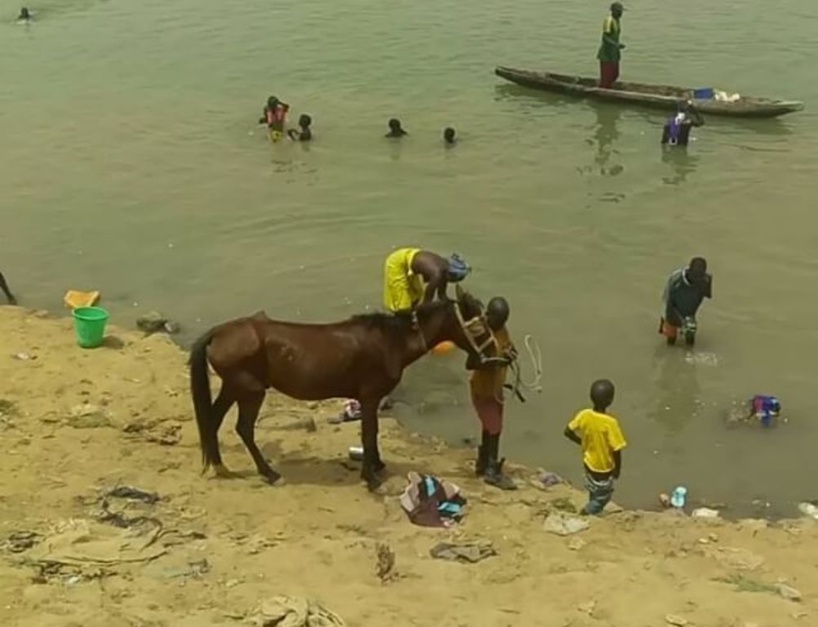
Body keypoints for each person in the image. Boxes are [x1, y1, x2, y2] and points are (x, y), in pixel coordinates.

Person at [468, 296, 518, 490]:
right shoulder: (481, 334)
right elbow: (470, 363)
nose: (500, 324)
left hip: (495, 390)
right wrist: (494, 363)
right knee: (494, 428)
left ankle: (483, 462)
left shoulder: (502, 331)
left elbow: (509, 347)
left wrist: (510, 354)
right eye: (497, 320)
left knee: (491, 427)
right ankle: (492, 470)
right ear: (488, 315)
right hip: (482, 389)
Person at [564, 379, 626, 515]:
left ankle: (592, 504)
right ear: (610, 400)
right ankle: (588, 512)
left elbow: (567, 431)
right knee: (603, 497)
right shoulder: (610, 423)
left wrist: (582, 442)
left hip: (588, 463)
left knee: (593, 488)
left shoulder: (584, 415)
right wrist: (617, 470)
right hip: (604, 468)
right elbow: (617, 450)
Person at [382, 248, 470, 312]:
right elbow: (427, 301)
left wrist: (454, 305)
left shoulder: (444, 269)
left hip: (409, 256)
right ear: (451, 275)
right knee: (403, 305)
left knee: (416, 295)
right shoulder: (437, 274)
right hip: (397, 263)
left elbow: (442, 296)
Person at [659, 257, 713, 346]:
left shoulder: (706, 279)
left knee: (690, 333)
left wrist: (691, 316)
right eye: (695, 278)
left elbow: (703, 296)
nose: (697, 281)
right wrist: (682, 321)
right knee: (671, 338)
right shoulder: (676, 281)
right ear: (689, 272)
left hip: (689, 305)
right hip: (672, 305)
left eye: (700, 278)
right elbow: (669, 305)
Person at [597, 2, 625, 89]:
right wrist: (616, 45)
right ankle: (604, 90)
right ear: (613, 11)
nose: (621, 13)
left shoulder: (617, 21)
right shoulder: (609, 21)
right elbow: (605, 38)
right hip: (607, 53)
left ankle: (609, 88)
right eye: (619, 11)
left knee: (615, 74)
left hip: (614, 52)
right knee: (607, 77)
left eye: (621, 11)